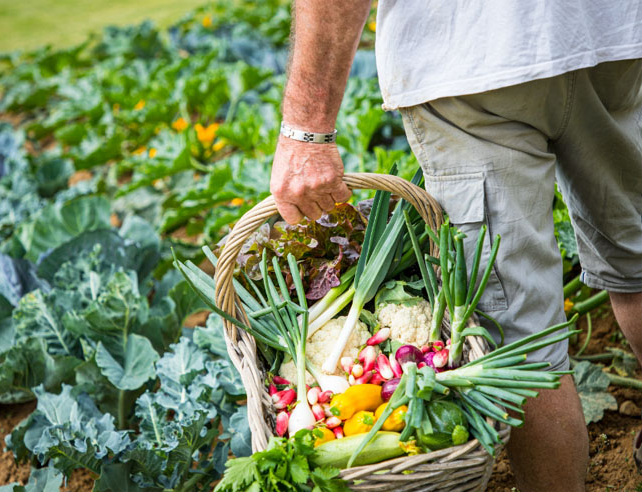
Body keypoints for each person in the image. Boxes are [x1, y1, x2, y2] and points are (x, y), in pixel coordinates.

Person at [269, 1, 642, 490]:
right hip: (612, 35)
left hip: (473, 61)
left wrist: (306, 130)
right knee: (636, 262)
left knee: (520, 347)